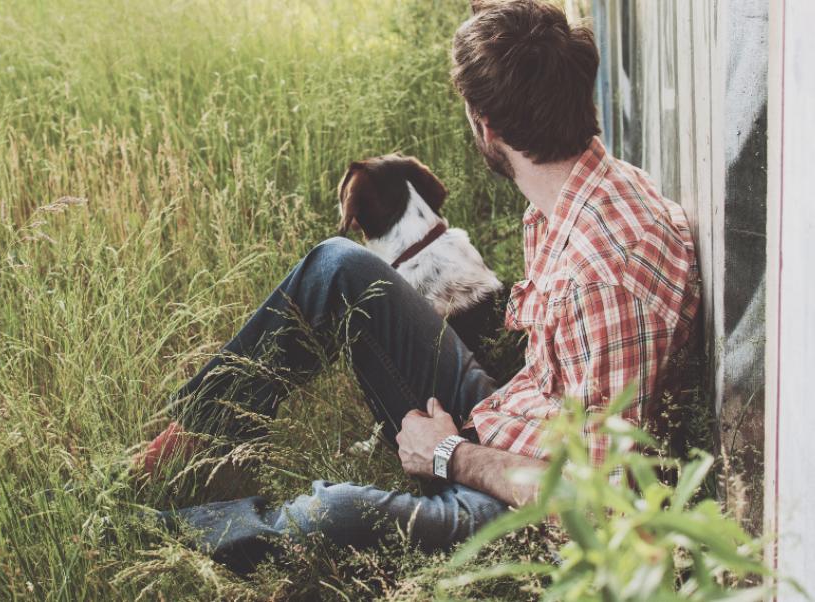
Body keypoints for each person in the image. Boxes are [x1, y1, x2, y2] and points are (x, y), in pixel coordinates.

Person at [134, 0, 701, 570]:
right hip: (521, 426)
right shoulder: (585, 191)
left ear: (486, 127)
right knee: (338, 265)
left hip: (532, 513)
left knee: (332, 514)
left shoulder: (599, 275)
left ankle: (140, 534)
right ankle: (183, 447)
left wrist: (451, 454)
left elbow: (598, 504)